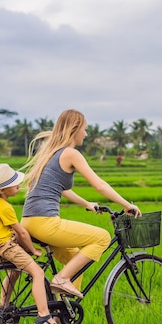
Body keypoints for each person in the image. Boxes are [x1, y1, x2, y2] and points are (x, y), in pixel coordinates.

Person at [21, 109, 141, 299]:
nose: (86, 134)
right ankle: (61, 279)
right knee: (102, 237)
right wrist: (127, 205)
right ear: (74, 129)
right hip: (45, 223)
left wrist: (86, 202)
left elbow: (62, 188)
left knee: (75, 259)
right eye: (84, 129)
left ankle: (63, 314)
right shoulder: (70, 153)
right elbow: (100, 185)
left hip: (29, 222)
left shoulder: (51, 153)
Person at [0, 163, 66, 324]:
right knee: (38, 273)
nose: (18, 186)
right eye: (13, 184)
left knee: (15, 271)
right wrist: (33, 250)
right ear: (2, 190)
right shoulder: (4, 207)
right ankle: (44, 316)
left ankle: (2, 306)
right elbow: (22, 233)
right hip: (5, 246)